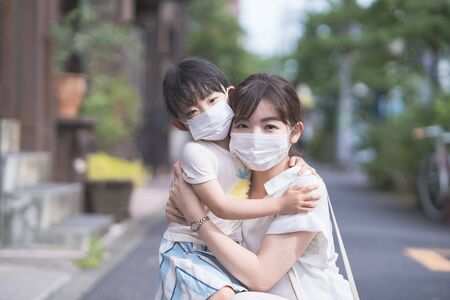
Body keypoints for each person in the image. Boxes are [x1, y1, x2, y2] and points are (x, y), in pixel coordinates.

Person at [168, 73, 353, 299]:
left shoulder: (303, 190)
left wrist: (196, 218)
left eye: (270, 127)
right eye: (243, 125)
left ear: (294, 132)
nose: (255, 137)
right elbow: (188, 181)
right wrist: (178, 206)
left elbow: (260, 277)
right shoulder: (238, 179)